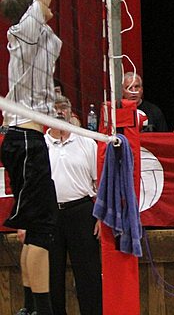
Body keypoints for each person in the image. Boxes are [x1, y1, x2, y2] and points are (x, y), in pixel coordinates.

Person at [0, 0, 65, 315]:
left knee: (32, 229)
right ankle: (40, 310)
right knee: (42, 230)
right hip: (26, 139)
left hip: (20, 137)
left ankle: (28, 308)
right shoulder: (26, 28)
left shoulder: (33, 38)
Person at [45, 96, 102, 315]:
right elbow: (33, 188)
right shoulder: (41, 145)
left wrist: (99, 216)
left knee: (88, 276)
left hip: (81, 213)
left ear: (71, 112)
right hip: (50, 216)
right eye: (55, 108)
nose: (60, 112)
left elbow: (99, 184)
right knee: (52, 277)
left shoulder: (87, 142)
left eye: (64, 107)